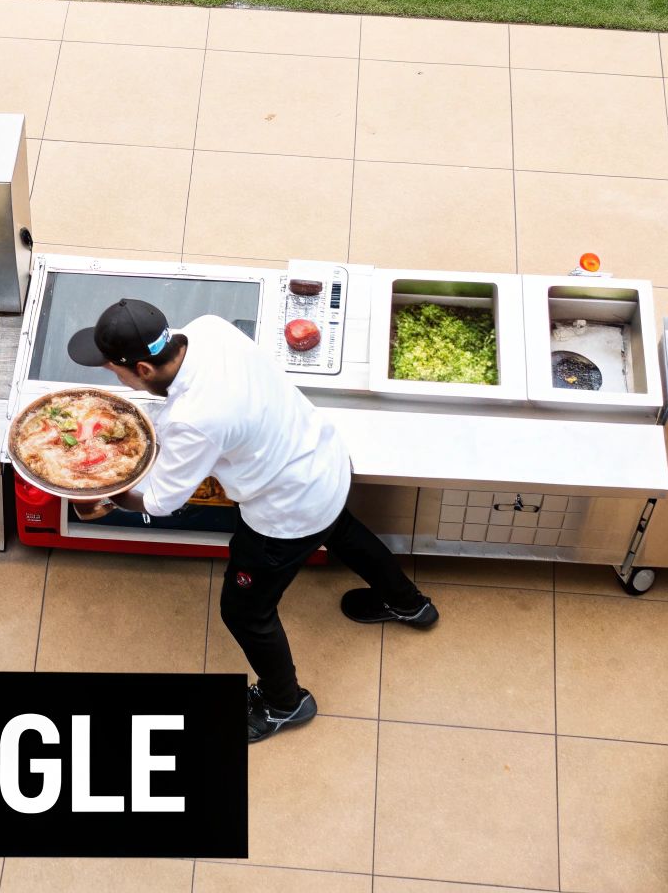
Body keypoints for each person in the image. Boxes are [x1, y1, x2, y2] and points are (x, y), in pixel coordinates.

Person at [68, 299, 438, 743]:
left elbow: (162, 500)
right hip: (323, 461)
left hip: (286, 512)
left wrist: (102, 495)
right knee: (340, 529)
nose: (115, 376)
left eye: (114, 369)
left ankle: (286, 704)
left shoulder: (195, 420)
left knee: (244, 612)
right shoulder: (209, 328)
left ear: (144, 369)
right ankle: (409, 604)